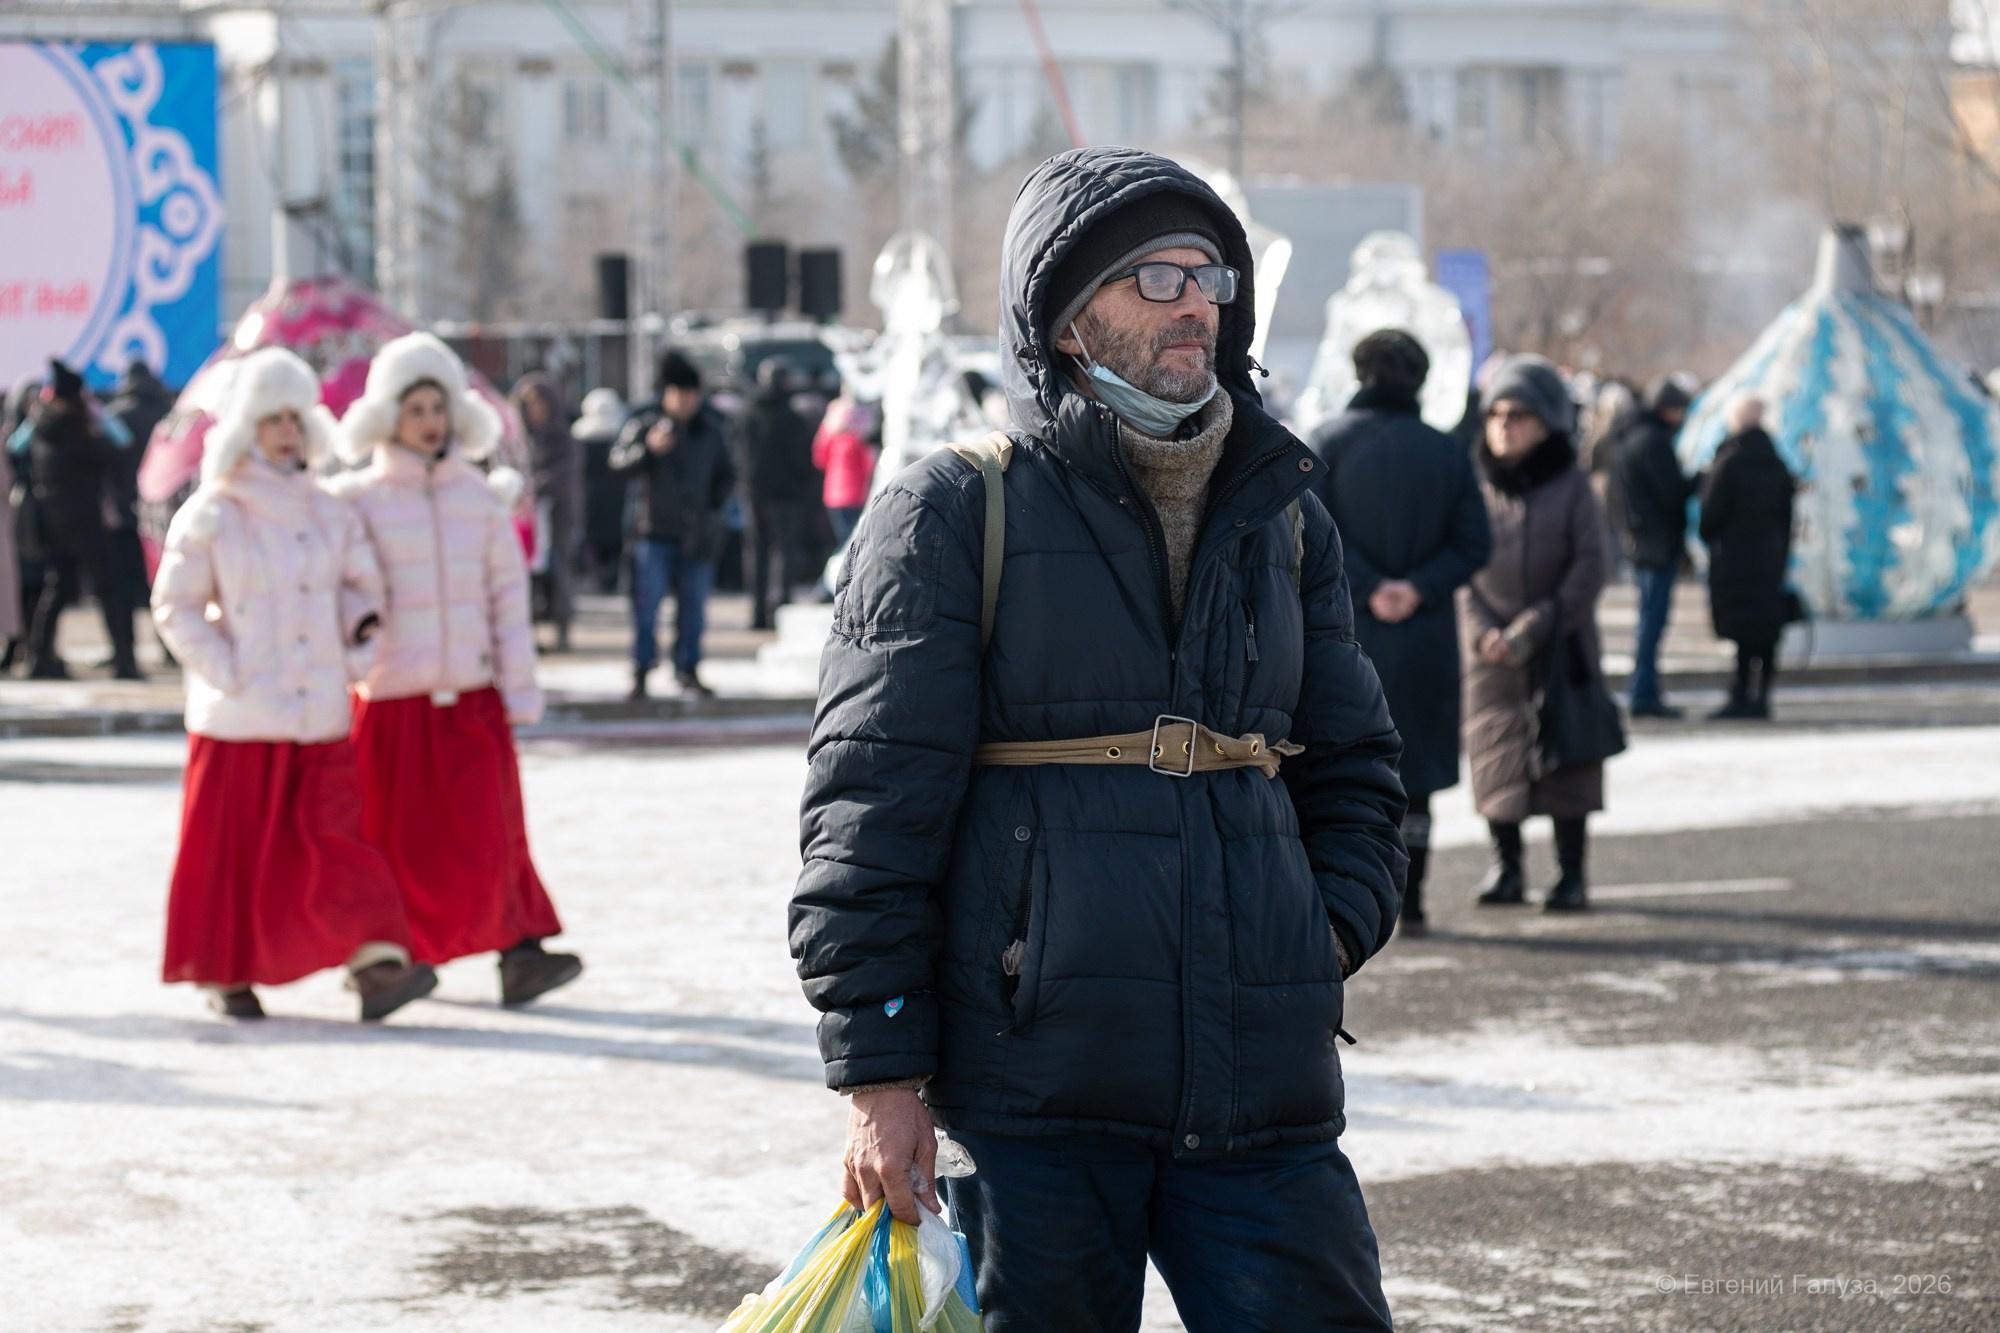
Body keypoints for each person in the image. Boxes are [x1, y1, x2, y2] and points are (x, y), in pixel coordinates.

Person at [792, 146, 1406, 1330]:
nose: (1197, 305)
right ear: (1068, 321)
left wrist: (1318, 934)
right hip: (1031, 1103)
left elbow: (1358, 769)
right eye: (1156, 279)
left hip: (1259, 1095)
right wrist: (878, 1069)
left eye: (1210, 276)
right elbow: (868, 808)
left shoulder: (1283, 518)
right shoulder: (953, 512)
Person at [151, 348, 436, 1021]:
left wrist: (356, 647)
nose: (284, 430)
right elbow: (175, 605)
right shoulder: (213, 510)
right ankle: (227, 973)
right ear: (245, 427)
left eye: (292, 417)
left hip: (318, 710)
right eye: (270, 418)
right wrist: (229, 670)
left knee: (337, 840)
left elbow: (361, 589)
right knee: (237, 855)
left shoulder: (327, 510)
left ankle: (375, 963)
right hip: (240, 717)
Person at [333, 333, 583, 1006]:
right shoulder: (357, 500)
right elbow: (342, 596)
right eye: (414, 407)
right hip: (390, 699)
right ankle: (380, 963)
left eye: (437, 406)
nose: (429, 420)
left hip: (471, 696)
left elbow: (508, 602)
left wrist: (518, 682)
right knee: (388, 841)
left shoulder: (479, 498)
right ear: (389, 413)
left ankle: (520, 952)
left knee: (493, 833)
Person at [1310, 329, 1492, 936]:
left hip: (1343, 630)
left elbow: (1307, 533)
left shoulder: (1325, 444)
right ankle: (1412, 898)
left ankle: (1351, 899)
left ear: (1359, 372)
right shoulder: (1446, 451)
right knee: (1416, 769)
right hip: (1426, 631)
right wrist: (1415, 586)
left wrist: (1366, 584)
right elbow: (1474, 542)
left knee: (1338, 765)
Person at [1461, 355, 1612, 913]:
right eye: (1496, 413)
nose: (1505, 424)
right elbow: (1462, 572)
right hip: (1491, 656)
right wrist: (1484, 633)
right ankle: (1507, 868)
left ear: (1546, 421)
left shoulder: (1572, 487)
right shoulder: (1477, 487)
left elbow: (1592, 566)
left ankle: (1571, 874)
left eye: (1519, 413)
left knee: (1568, 759)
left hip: (1560, 648)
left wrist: (1535, 626)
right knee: (1496, 757)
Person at [609, 350, 736, 699]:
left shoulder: (710, 430)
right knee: (646, 607)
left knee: (693, 609)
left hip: (696, 534)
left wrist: (712, 506)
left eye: (691, 394)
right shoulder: (644, 423)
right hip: (652, 533)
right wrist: (648, 451)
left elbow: (728, 474)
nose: (685, 401)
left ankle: (688, 668)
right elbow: (618, 464)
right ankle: (641, 669)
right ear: (665, 393)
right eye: (678, 393)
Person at [23, 360, 142, 680]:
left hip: (53, 523)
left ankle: (37, 658)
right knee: (110, 589)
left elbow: (18, 448)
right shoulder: (75, 426)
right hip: (86, 522)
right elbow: (118, 447)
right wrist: (99, 415)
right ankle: (124, 660)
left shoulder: (42, 425)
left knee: (58, 589)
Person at [1605, 375, 1697, 718]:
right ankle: (1644, 695)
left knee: (1648, 620)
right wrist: (1699, 479)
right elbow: (1672, 492)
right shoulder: (1652, 441)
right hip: (1657, 542)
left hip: (1641, 539)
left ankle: (1644, 692)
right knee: (1651, 622)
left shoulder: (1628, 436)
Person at [1699, 395, 1795, 720]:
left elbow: (1709, 516)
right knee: (1765, 631)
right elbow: (1788, 516)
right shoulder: (1777, 464)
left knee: (1742, 632)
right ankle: (1762, 697)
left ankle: (1741, 694)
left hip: (1735, 563)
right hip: (1770, 560)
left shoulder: (1729, 462)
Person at [734, 359, 820, 630]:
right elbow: (802, 458)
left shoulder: (746, 414)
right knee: (783, 551)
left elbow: (736, 451)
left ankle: (758, 612)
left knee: (756, 551)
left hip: (753, 491)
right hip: (786, 494)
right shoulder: (791, 418)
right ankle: (778, 610)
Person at [511, 373, 584, 651]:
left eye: (540, 405)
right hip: (525, 518)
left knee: (560, 572)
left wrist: (533, 486)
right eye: (530, 406)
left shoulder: (563, 440)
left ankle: (562, 627)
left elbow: (562, 476)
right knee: (525, 575)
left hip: (558, 518)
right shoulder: (519, 441)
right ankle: (527, 631)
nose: (535, 412)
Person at [106, 360, 176, 623]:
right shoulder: (168, 412)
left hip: (124, 511)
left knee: (124, 584)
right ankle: (168, 647)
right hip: (164, 511)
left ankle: (127, 657)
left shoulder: (116, 415)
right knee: (164, 579)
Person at [573, 387, 630, 592]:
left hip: (592, 495)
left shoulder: (580, 436)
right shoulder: (620, 433)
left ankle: (600, 575)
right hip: (615, 495)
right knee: (613, 543)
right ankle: (609, 577)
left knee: (596, 541)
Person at [812, 395, 879, 545]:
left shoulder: (829, 437)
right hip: (855, 495)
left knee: (843, 539)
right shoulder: (858, 439)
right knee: (853, 541)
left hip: (833, 496)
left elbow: (819, 460)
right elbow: (868, 466)